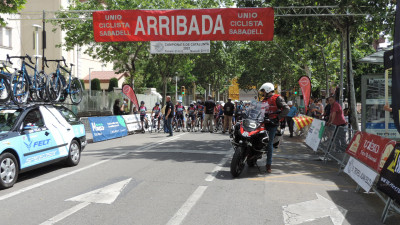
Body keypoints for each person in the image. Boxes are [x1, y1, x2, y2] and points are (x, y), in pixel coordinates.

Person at [259, 82, 290, 173]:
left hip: (272, 124)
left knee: (269, 143)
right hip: (263, 123)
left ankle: (268, 164)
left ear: (268, 90)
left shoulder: (277, 98)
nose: (262, 93)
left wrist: (278, 118)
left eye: (263, 91)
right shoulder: (264, 100)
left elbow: (287, 108)